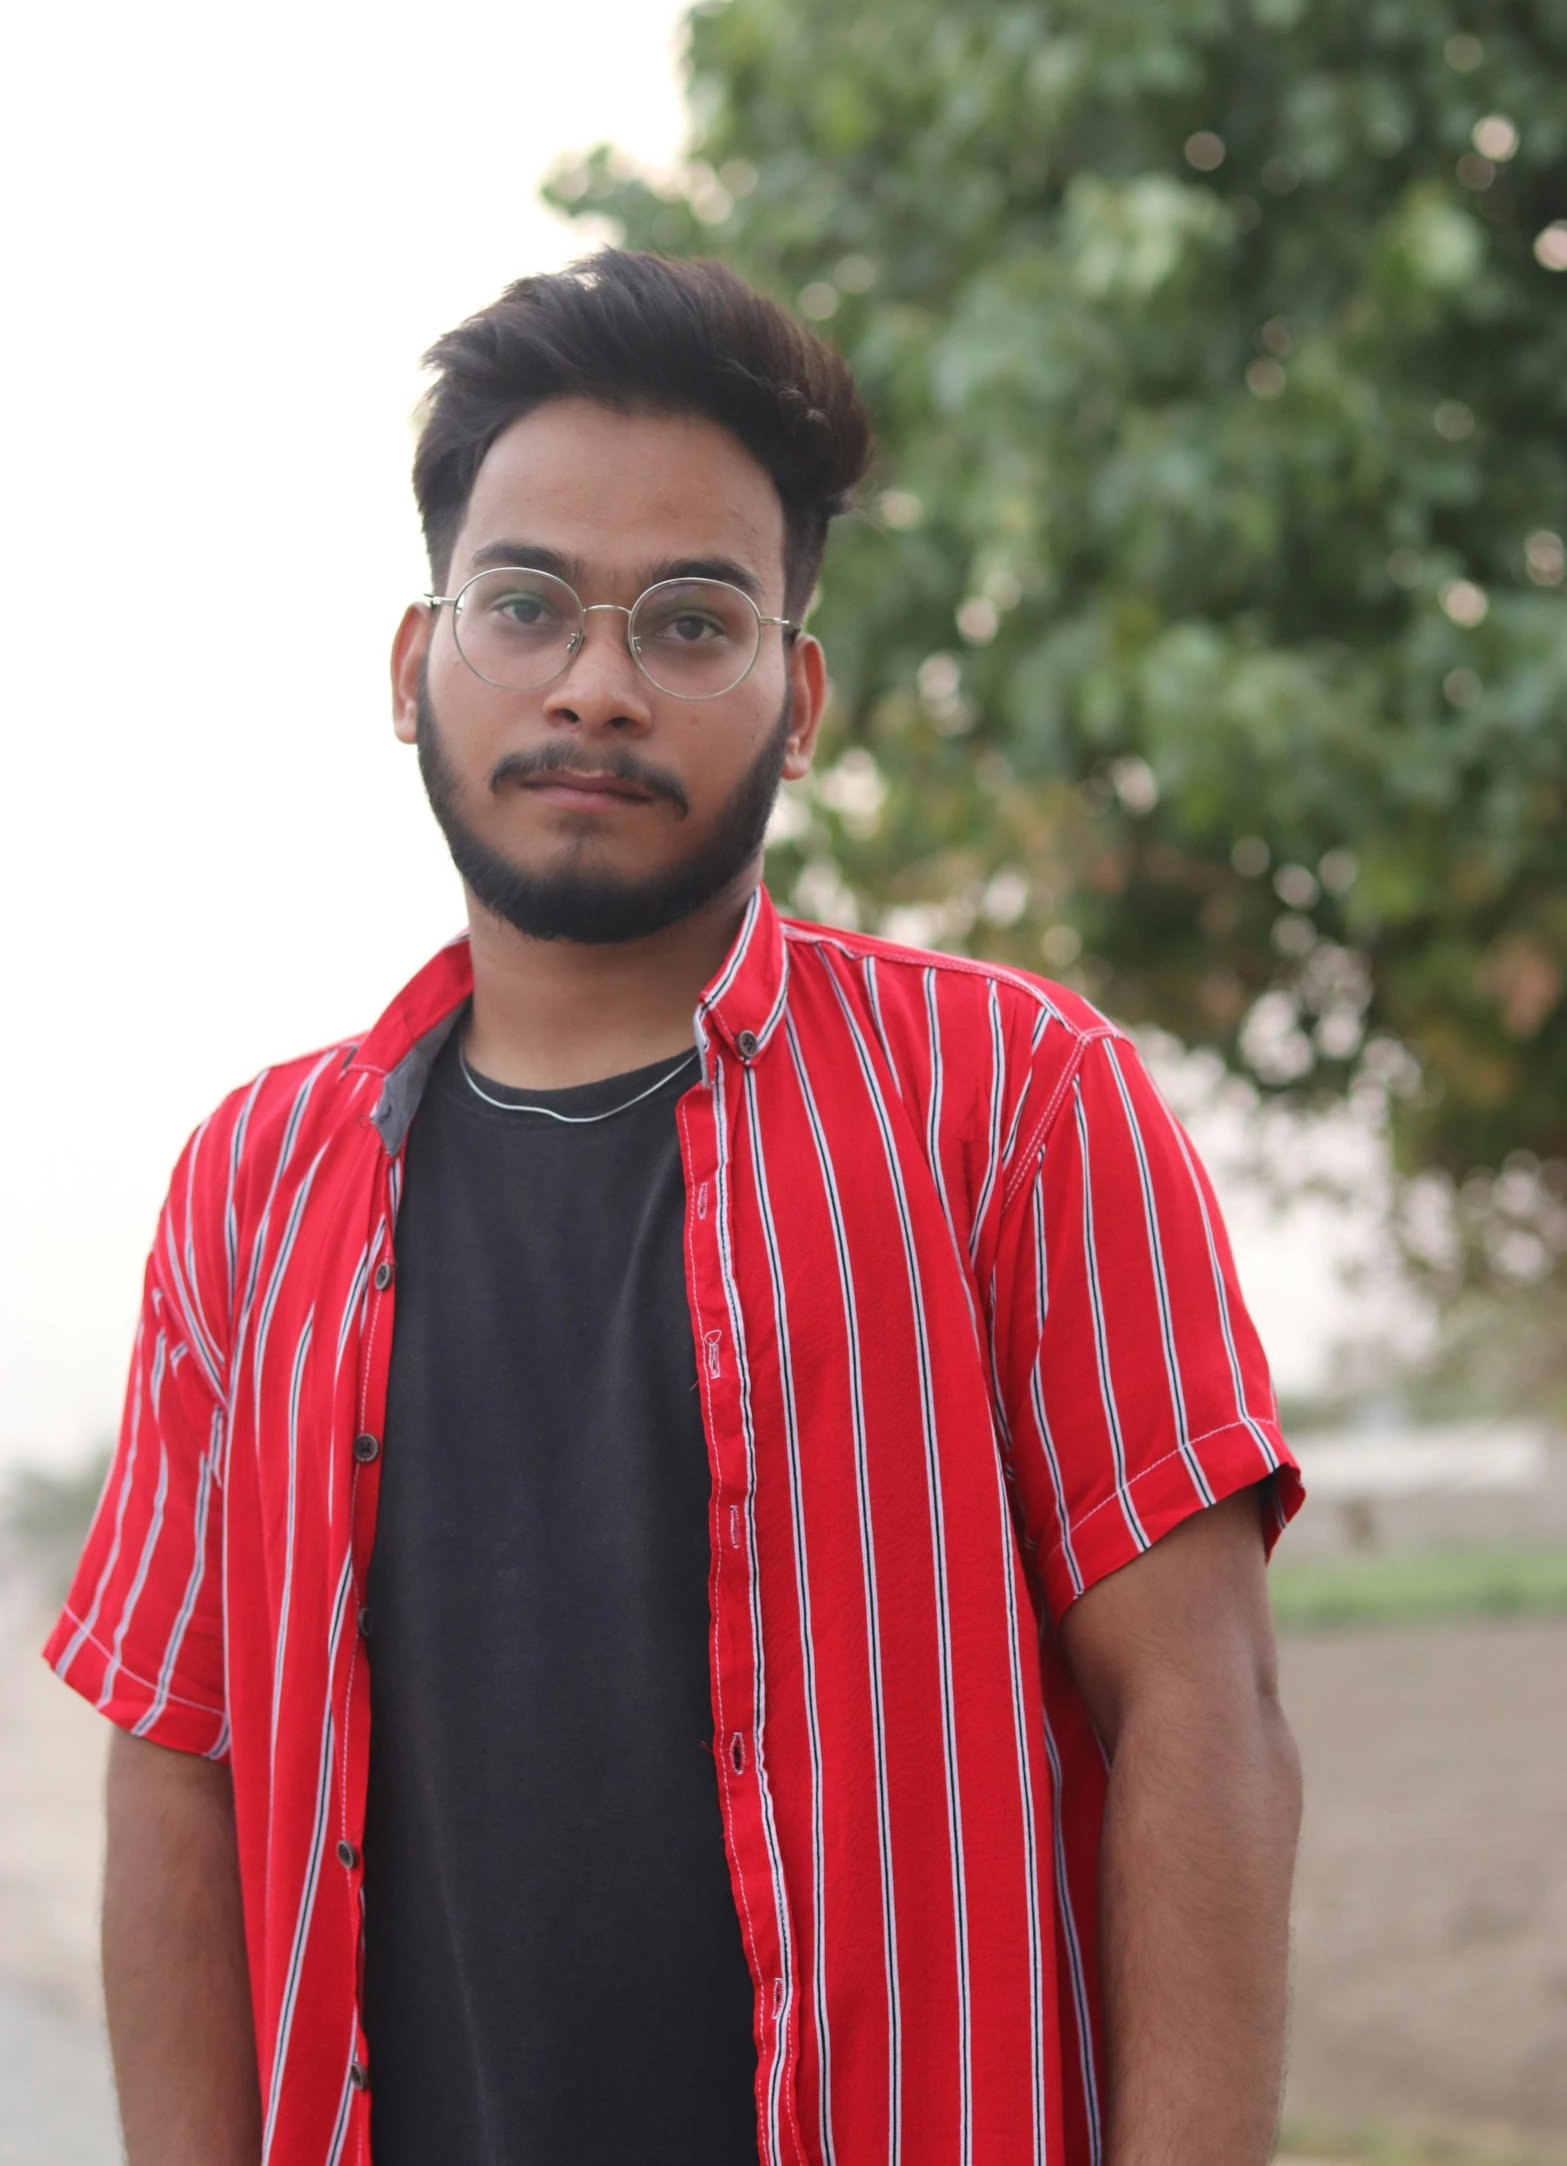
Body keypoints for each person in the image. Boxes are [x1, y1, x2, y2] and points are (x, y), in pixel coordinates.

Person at [48, 248, 1303, 2166]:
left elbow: (1201, 1724)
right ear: (415, 666)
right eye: (526, 603)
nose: (599, 684)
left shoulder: (1013, 1103)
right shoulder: (251, 1188)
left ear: (796, 698)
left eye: (692, 622)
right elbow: (179, 1768)